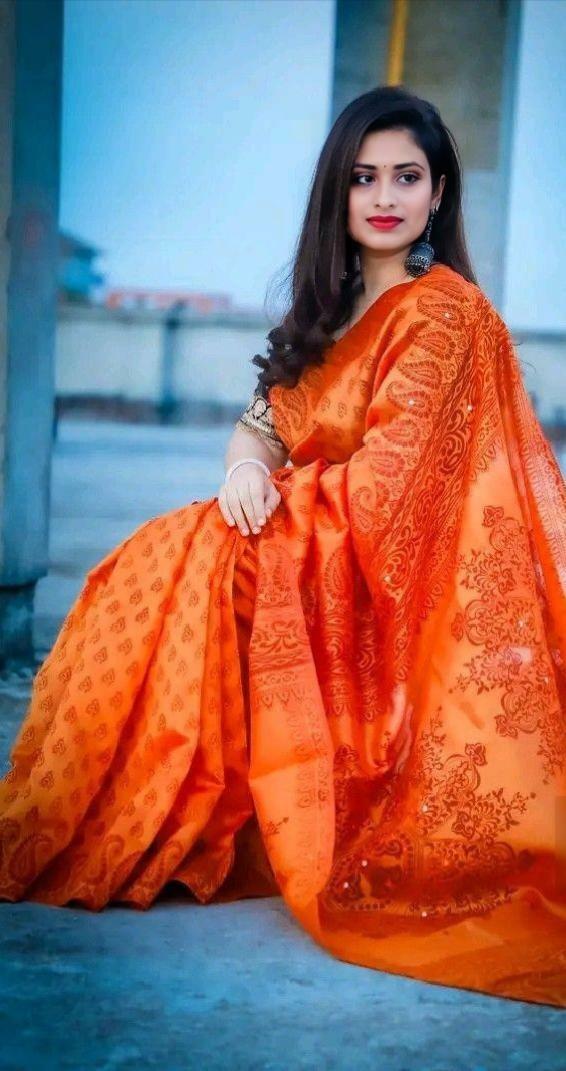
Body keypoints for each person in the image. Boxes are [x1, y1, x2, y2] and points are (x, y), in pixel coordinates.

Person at [1, 85, 565, 1008]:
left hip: (383, 578)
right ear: (337, 192)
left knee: (184, 565)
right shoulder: (328, 311)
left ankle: (160, 819)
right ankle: (135, 817)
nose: (384, 196)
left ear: (439, 192)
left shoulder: (444, 314)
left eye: (407, 177)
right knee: (158, 564)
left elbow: (391, 493)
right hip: (311, 544)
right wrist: (244, 470)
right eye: (363, 177)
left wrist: (266, 512)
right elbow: (261, 424)